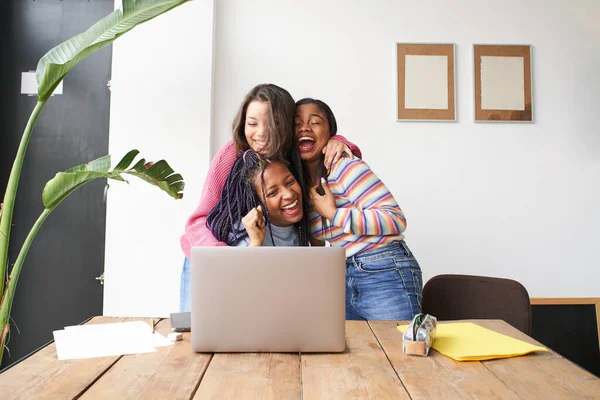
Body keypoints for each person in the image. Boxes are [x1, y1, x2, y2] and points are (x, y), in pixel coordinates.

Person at [179, 84, 361, 311]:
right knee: (192, 332)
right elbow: (197, 221)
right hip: (211, 257)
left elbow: (322, 141)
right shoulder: (233, 153)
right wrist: (224, 260)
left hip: (264, 256)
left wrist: (339, 141)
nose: (261, 133)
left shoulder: (295, 153)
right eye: (252, 124)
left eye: (272, 123)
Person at [295, 98, 422, 321]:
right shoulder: (298, 184)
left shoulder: (344, 166)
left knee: (402, 353)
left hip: (383, 269)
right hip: (342, 277)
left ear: (330, 134)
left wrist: (334, 214)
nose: (304, 127)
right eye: (296, 123)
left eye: (315, 122)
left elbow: (395, 219)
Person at [207, 150, 308, 247]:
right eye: (272, 193)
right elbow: (238, 265)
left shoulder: (306, 229)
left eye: (290, 182)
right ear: (256, 201)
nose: (289, 195)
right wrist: (255, 242)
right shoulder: (242, 234)